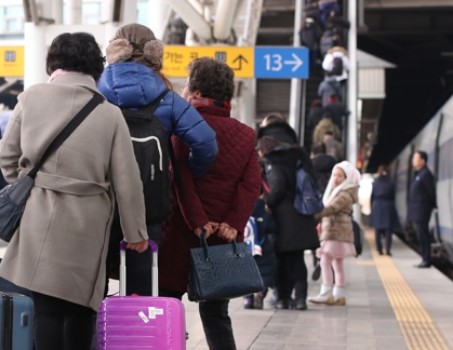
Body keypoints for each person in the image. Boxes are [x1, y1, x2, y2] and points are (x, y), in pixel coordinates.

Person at [0, 32, 149, 350]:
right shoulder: (109, 113)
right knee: (81, 309)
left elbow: (6, 157)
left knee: (45, 310)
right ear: (96, 69)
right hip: (88, 221)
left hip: (39, 212)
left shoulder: (30, 98)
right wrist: (136, 232)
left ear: (53, 64)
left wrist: (30, 182)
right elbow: (127, 179)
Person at [97, 23, 218, 295]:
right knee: (140, 283)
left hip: (99, 199)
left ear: (114, 52)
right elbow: (206, 143)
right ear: (154, 55)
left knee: (94, 281)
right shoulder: (168, 99)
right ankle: (136, 332)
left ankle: (96, 333)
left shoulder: (96, 93)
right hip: (149, 202)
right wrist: (190, 171)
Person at [158, 57, 261, 350]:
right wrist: (232, 223)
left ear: (195, 89)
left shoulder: (183, 127)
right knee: (216, 314)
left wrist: (198, 221)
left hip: (180, 232)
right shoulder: (245, 134)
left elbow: (180, 178)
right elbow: (250, 183)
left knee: (168, 305)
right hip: (222, 241)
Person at [256, 136, 320, 311]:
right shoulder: (295, 159)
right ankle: (300, 300)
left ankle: (284, 298)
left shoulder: (273, 163)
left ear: (264, 149)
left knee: (282, 261)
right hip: (300, 216)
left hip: (284, 219)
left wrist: (267, 202)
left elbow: (277, 187)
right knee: (297, 261)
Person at [308, 161, 360, 306]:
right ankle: (339, 295)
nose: (335, 178)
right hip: (336, 231)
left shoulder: (345, 193)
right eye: (334, 175)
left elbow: (332, 208)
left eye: (340, 176)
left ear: (347, 178)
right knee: (337, 263)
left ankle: (326, 293)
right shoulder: (341, 191)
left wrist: (314, 214)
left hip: (336, 231)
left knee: (325, 260)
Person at [242, 193, 277, 310]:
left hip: (247, 249)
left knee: (248, 274)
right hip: (263, 248)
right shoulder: (264, 214)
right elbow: (273, 228)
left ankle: (247, 299)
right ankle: (260, 293)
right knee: (264, 272)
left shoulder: (244, 214)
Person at [407, 151, 437, 268]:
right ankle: (424, 258)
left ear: (422, 161)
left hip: (422, 210)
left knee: (423, 235)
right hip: (417, 210)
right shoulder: (419, 174)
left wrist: (429, 206)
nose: (413, 160)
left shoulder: (425, 174)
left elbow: (431, 193)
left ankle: (426, 259)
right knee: (421, 235)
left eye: (416, 158)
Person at [369, 165, 400, 256]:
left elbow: (372, 197)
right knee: (388, 230)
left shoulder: (375, 183)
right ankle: (388, 250)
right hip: (388, 205)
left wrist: (372, 208)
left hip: (377, 205)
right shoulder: (391, 183)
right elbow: (393, 196)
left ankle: (379, 250)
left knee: (377, 230)